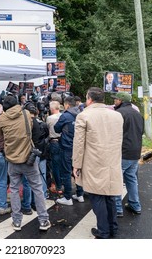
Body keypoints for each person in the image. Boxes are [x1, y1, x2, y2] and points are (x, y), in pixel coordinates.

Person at [72, 87, 123, 239]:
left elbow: (79, 143)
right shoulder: (117, 115)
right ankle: (113, 228)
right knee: (110, 196)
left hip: (93, 161)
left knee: (97, 197)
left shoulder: (84, 115)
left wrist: (76, 164)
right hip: (112, 162)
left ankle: (103, 231)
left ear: (89, 99)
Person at [0, 95, 51, 231]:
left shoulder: (2, 119)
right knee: (37, 189)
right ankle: (43, 220)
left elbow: (0, 132)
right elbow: (31, 126)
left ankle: (16, 221)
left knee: (14, 190)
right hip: (29, 159)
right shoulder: (26, 114)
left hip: (12, 160)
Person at [112, 92, 144, 217]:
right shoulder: (137, 114)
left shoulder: (119, 114)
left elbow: (114, 134)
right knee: (131, 179)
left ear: (120, 100)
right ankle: (135, 205)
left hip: (122, 152)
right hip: (135, 152)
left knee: (117, 180)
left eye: (115, 99)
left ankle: (117, 208)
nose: (114, 101)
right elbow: (141, 132)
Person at [54, 96, 83, 205]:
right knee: (78, 171)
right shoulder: (81, 114)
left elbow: (56, 128)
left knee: (66, 172)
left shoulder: (65, 116)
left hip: (66, 147)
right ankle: (80, 194)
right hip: (79, 147)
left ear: (67, 105)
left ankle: (67, 197)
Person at [46, 100, 62, 194]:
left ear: (52, 109)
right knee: (63, 164)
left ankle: (58, 185)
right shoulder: (63, 116)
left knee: (55, 165)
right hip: (63, 142)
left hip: (54, 142)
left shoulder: (49, 118)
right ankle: (63, 183)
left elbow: (47, 128)